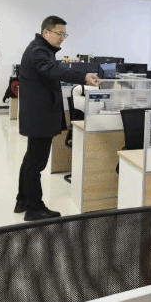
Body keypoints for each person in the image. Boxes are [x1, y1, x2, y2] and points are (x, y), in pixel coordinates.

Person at [16, 16, 100, 221]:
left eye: (64, 34)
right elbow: (52, 70)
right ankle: (34, 209)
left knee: (31, 159)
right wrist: (82, 77)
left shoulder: (41, 49)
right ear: (46, 32)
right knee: (36, 163)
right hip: (39, 117)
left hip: (37, 115)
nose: (62, 38)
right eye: (59, 33)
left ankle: (23, 200)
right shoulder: (39, 51)